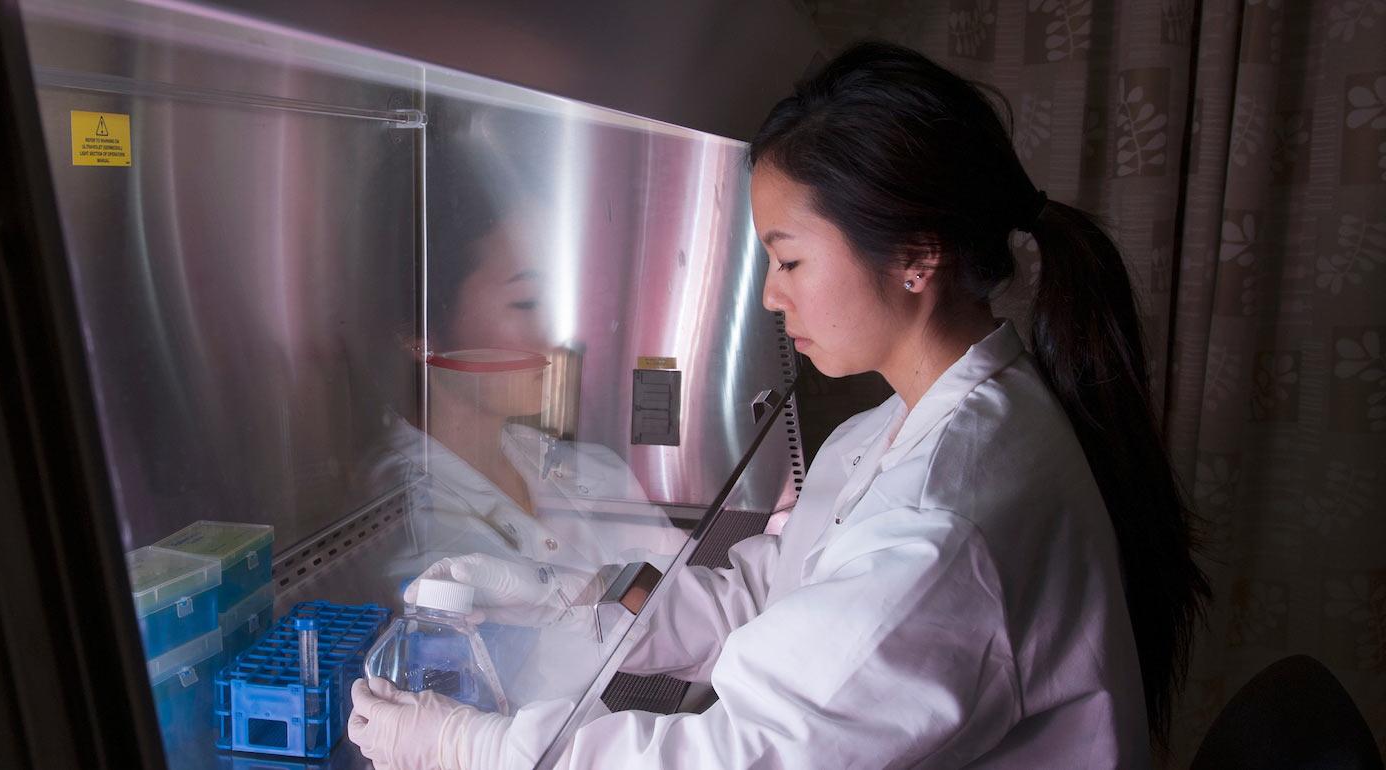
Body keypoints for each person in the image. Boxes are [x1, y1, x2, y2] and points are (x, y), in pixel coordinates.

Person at [346, 41, 1208, 769]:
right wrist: (562, 595)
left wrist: (472, 745)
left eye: (789, 260)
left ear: (916, 255)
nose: (767, 296)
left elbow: (739, 754)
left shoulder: (942, 526)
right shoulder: (900, 428)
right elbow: (762, 595)